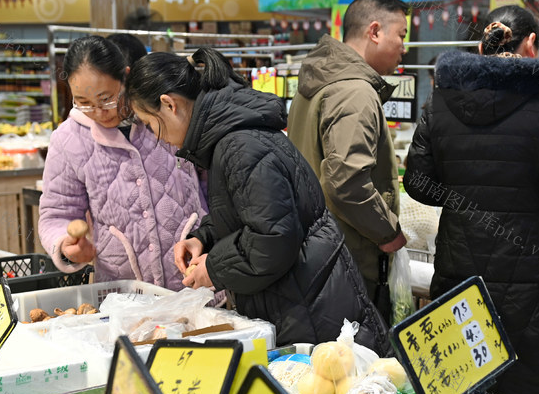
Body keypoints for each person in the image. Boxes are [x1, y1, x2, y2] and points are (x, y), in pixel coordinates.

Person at [403, 5, 539, 394]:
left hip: (458, 273)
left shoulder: (442, 100)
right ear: (530, 43)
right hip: (528, 283)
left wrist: (467, 195)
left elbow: (417, 184)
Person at [124, 47, 389, 352]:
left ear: (169, 105)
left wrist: (214, 269)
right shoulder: (233, 137)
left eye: (149, 124)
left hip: (310, 308)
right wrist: (204, 239)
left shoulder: (239, 145)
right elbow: (253, 211)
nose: (157, 137)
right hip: (304, 296)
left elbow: (273, 238)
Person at [38, 35, 205, 288]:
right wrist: (65, 246)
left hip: (197, 282)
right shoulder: (68, 139)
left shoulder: (167, 112)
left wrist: (212, 239)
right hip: (125, 295)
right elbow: (56, 214)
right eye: (83, 103)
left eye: (107, 99)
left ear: (126, 77)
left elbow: (209, 185)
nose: (98, 112)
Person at [287, 0, 409, 321]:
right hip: (348, 258)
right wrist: (388, 232)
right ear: (374, 31)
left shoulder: (316, 82)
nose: (404, 47)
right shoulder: (354, 91)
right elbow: (346, 182)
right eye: (401, 35)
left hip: (314, 251)